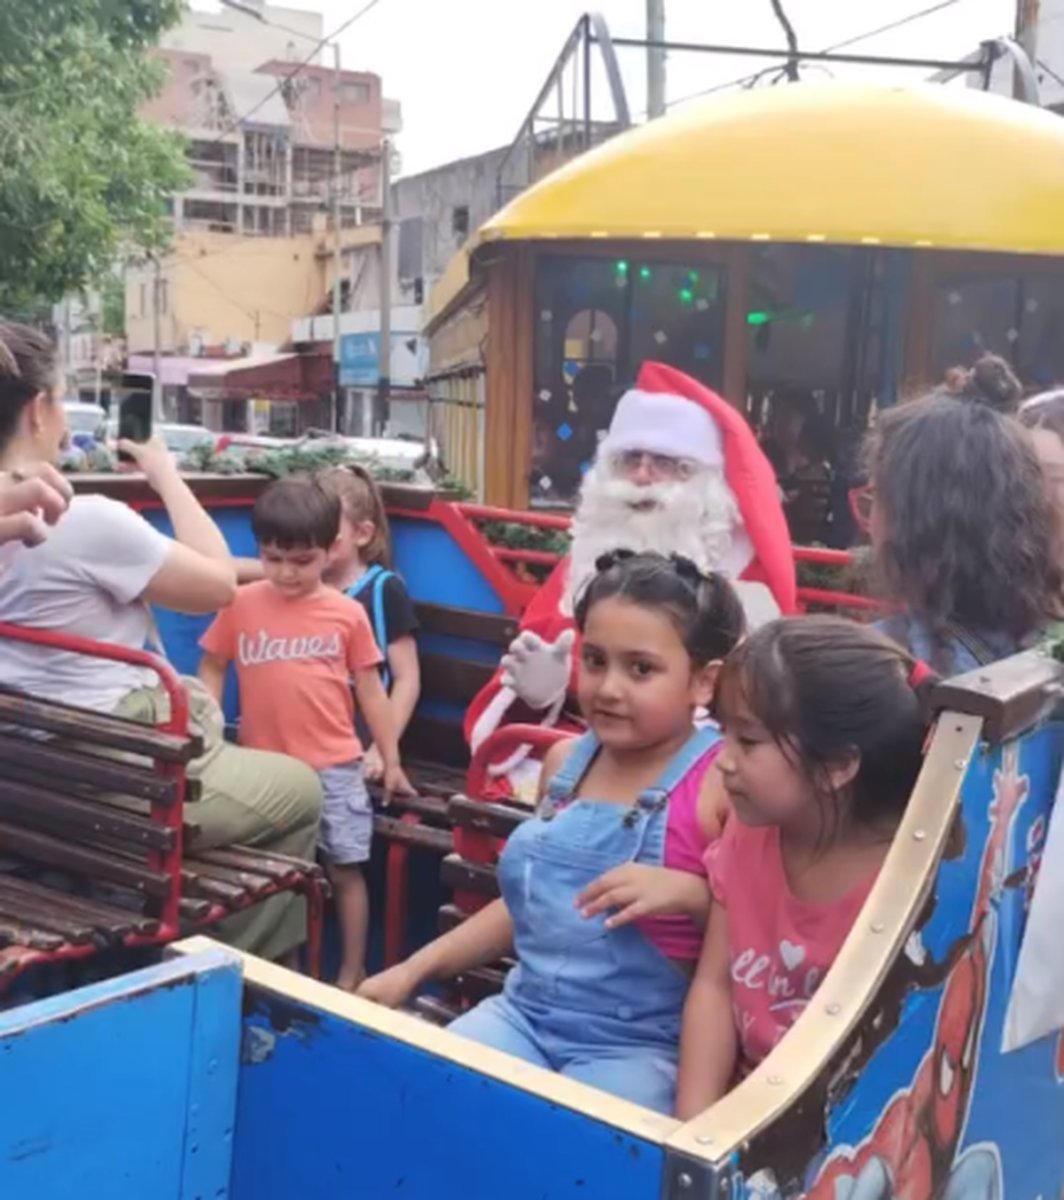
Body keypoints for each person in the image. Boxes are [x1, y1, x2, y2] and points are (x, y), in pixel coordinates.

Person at [360, 551, 745, 1114]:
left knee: (588, 1138)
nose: (608, 688)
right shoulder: (564, 764)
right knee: (431, 1098)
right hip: (523, 1016)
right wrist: (411, 971)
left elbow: (754, 938)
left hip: (639, 1047)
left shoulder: (719, 785)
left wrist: (691, 895)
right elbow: (530, 908)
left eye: (641, 669)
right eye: (595, 660)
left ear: (704, 681)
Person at [0, 320, 320, 963]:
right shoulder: (81, 521)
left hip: (31, 784)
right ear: (38, 409)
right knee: (302, 790)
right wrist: (165, 473)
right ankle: (219, 979)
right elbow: (218, 585)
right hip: (116, 778)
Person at [465, 361, 795, 800]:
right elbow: (509, 706)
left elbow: (757, 721)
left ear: (703, 480)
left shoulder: (743, 586)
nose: (641, 476)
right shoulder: (582, 565)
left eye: (663, 461)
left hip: (689, 773)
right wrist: (539, 697)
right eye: (628, 460)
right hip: (569, 752)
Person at [675, 617, 933, 1118]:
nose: (723, 760)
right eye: (723, 733)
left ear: (837, 765)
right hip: (737, 1114)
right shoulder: (748, 828)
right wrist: (690, 1130)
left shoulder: (905, 881)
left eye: (748, 741)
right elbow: (715, 985)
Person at [198, 477, 413, 990]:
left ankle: (351, 971)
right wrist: (208, 728)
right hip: (265, 770)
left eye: (302, 560)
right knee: (275, 876)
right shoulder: (240, 603)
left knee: (345, 869)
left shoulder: (347, 613)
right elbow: (213, 665)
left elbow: (371, 690)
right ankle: (286, 972)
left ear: (330, 549)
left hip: (334, 764)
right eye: (273, 559)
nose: (287, 572)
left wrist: (390, 758)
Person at [855, 380, 1058, 675]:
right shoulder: (1045, 646)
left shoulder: (874, 662)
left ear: (915, 521)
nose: (869, 523)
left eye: (875, 497)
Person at [317, 463, 420, 782]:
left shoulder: (383, 589)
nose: (314, 539)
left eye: (326, 531)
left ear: (362, 534)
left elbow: (406, 679)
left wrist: (381, 748)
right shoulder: (300, 584)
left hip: (355, 742)